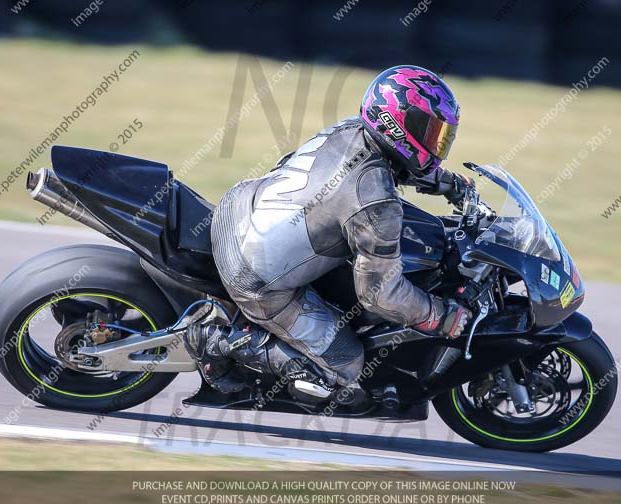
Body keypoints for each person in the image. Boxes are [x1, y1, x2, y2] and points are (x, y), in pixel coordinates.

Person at [192, 65, 474, 406]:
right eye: (429, 132)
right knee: (348, 366)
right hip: (255, 277)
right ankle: (217, 342)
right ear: (398, 123)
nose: (437, 144)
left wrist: (449, 183)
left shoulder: (351, 130)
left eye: (442, 136)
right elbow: (379, 295)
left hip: (238, 207)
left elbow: (397, 165)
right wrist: (440, 316)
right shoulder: (376, 204)